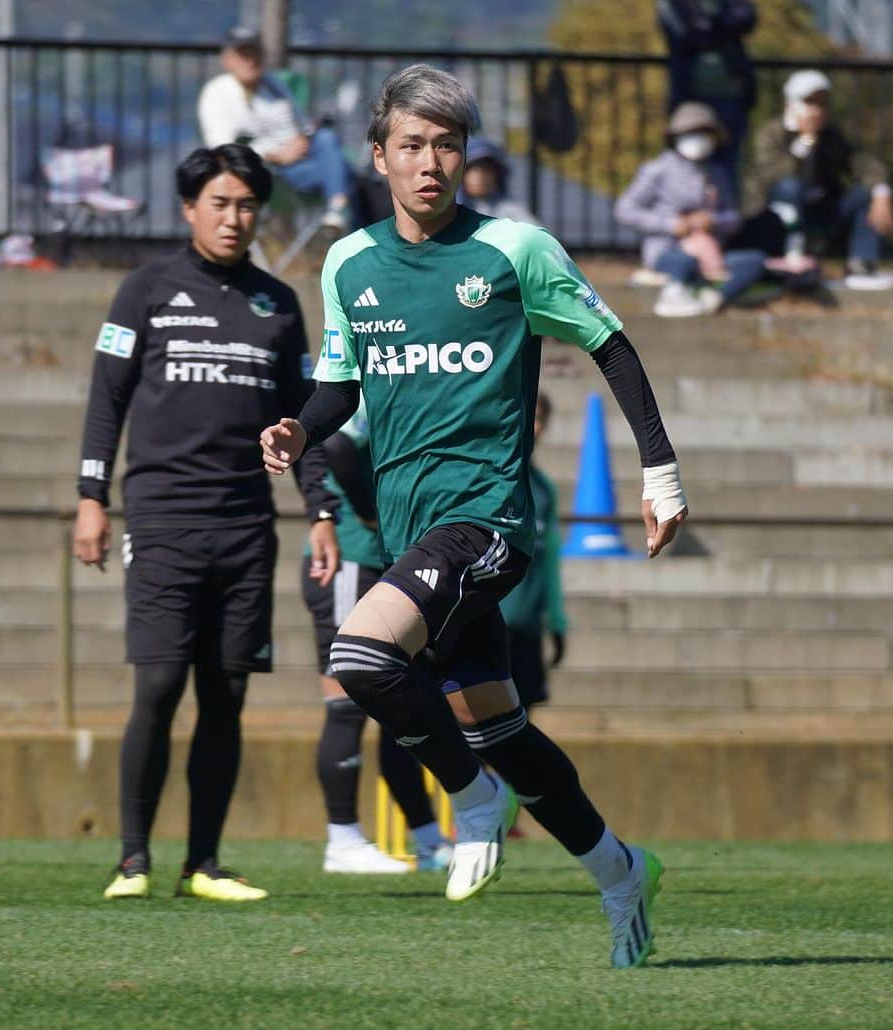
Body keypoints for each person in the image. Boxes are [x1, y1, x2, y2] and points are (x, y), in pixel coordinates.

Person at [261, 65, 688, 968]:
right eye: (412, 145)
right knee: (504, 727)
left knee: (361, 658)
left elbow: (609, 343)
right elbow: (341, 385)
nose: (430, 162)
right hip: (415, 530)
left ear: (463, 157)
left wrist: (661, 471)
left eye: (446, 145)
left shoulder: (514, 251)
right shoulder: (349, 262)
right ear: (378, 156)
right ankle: (621, 871)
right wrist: (302, 424)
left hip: (486, 519)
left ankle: (470, 796)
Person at [75, 144, 340, 903]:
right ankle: (132, 861)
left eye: (248, 205)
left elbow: (303, 420)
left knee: (226, 696)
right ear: (189, 208)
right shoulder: (145, 290)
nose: (234, 218)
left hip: (246, 526)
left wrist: (319, 510)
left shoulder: (278, 304)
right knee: (158, 686)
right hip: (162, 520)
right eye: (220, 204)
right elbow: (107, 401)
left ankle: (204, 864)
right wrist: (91, 496)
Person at [303, 395, 452, 873]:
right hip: (351, 558)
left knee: (402, 703)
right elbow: (340, 449)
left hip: (387, 563)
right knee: (347, 703)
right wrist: (371, 513)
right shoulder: (369, 384)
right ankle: (342, 838)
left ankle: (428, 839)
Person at [743, 69, 893, 291]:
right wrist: (806, 142)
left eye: (822, 102)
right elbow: (772, 175)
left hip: (822, 211)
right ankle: (791, 259)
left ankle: (862, 264)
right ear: (790, 104)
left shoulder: (831, 136)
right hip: (776, 216)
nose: (816, 109)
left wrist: (882, 192)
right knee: (789, 187)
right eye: (809, 101)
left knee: (864, 193)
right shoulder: (771, 133)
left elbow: (863, 164)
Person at [615, 102, 768, 318]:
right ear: (676, 136)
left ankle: (715, 297)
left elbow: (734, 217)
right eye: (692, 132)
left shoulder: (717, 173)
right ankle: (675, 292)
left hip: (712, 256)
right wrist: (671, 225)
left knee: (756, 260)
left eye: (704, 132)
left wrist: (713, 220)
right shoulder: (657, 170)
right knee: (683, 261)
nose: (699, 137)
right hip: (668, 251)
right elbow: (625, 209)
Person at [198, 27, 354, 232]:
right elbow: (222, 151)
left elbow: (304, 126)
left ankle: (338, 209)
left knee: (326, 139)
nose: (250, 59)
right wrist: (276, 156)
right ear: (227, 60)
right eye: (243, 53)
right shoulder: (217, 93)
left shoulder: (275, 85)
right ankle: (347, 223)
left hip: (306, 162)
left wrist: (303, 138)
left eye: (255, 52)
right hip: (271, 173)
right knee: (349, 176)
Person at [498, 393, 566, 713]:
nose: (533, 427)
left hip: (526, 628)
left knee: (522, 724)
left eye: (540, 419)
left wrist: (556, 620)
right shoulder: (486, 481)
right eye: (528, 416)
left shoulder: (543, 489)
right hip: (487, 625)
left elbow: (549, 561)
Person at [657, 0, 757, 190]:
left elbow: (746, 20)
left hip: (732, 97)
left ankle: (725, 216)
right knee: (688, 164)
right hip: (690, 98)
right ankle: (690, 217)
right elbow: (684, 34)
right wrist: (721, 30)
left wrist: (709, 28)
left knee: (728, 167)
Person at [460, 137, 539, 225]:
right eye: (473, 170)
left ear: (497, 176)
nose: (479, 176)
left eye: (486, 169)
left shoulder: (510, 213)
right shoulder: (449, 212)